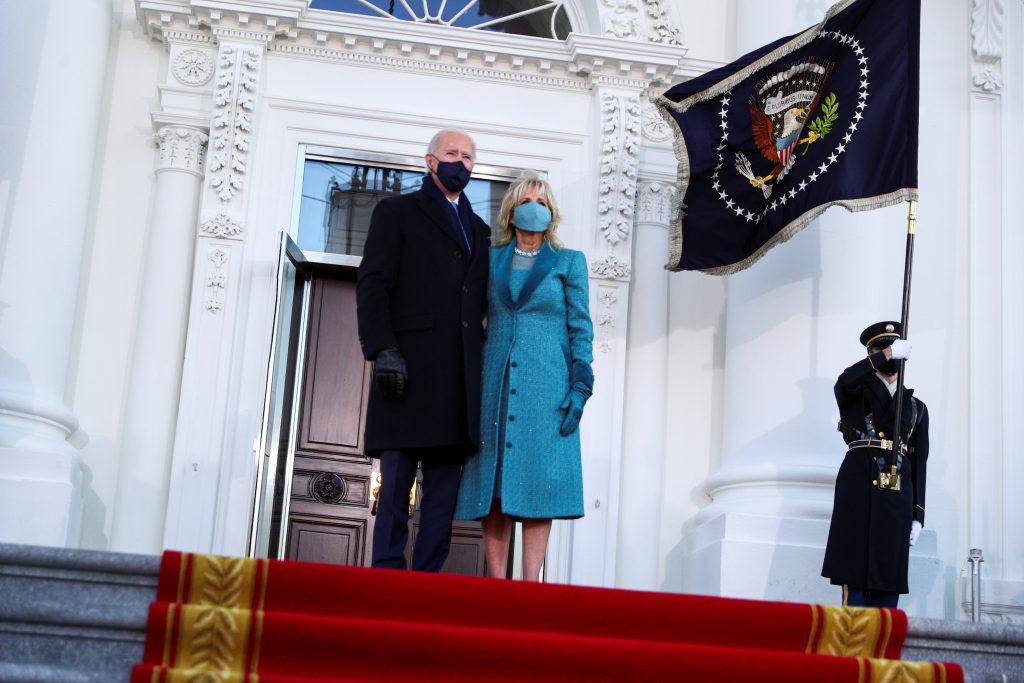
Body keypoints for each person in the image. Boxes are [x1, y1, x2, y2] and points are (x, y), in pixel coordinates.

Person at [356, 130, 491, 572]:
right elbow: (374, 283)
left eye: (468, 157)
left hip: (457, 380)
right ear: (430, 161)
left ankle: (426, 581)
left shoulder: (482, 231)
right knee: (394, 485)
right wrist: (382, 348)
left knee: (443, 495)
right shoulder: (395, 212)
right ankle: (387, 575)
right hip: (407, 372)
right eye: (451, 153)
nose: (460, 162)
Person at [454, 172, 594, 581]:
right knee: (493, 486)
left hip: (548, 385)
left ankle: (531, 583)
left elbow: (580, 326)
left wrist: (581, 385)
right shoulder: (490, 258)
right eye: (527, 200)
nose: (535, 207)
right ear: (511, 211)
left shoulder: (568, 262)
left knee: (539, 482)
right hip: (493, 383)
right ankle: (497, 581)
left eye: (543, 202)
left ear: (551, 213)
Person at [822, 321, 929, 607]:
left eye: (893, 348)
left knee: (887, 583)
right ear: (872, 355)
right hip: (859, 488)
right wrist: (884, 357)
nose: (889, 355)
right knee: (854, 580)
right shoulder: (855, 394)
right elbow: (843, 381)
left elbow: (919, 462)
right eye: (882, 350)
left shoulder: (916, 406)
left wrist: (918, 514)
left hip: (895, 496)